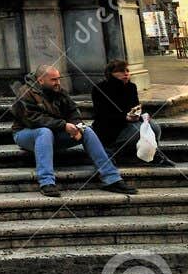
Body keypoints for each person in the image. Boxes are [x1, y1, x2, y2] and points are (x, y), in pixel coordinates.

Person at [10, 64, 137, 197]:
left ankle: (112, 179)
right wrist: (63, 125)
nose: (57, 83)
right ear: (41, 80)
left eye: (58, 79)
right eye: (53, 80)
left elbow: (73, 111)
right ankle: (46, 182)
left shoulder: (59, 91)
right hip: (25, 134)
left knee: (86, 130)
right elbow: (33, 119)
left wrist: (77, 126)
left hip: (54, 134)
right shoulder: (25, 92)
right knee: (44, 131)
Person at [91, 59, 162, 162]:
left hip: (129, 121)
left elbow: (135, 106)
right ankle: (111, 152)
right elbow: (102, 114)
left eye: (127, 70)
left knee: (154, 127)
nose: (126, 73)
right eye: (121, 71)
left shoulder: (131, 87)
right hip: (109, 126)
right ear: (111, 73)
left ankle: (154, 153)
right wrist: (125, 117)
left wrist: (139, 114)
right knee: (137, 130)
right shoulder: (100, 88)